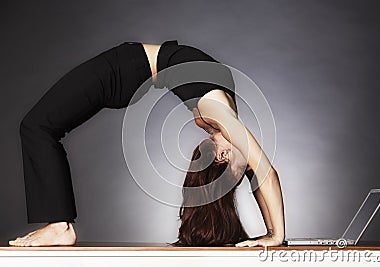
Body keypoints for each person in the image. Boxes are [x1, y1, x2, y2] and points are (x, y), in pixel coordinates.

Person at [9, 40, 285, 247]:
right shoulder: (223, 117)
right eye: (236, 167)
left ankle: (60, 225)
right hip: (131, 69)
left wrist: (275, 235)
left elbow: (260, 176)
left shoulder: (218, 116)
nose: (228, 159)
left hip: (122, 70)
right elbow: (265, 174)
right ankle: (59, 223)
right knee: (39, 126)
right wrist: (276, 235)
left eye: (227, 167)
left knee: (36, 126)